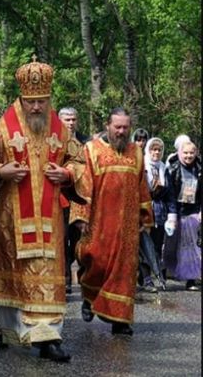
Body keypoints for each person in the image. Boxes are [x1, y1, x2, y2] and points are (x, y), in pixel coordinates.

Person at [0, 58, 86, 363]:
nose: (36, 107)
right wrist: (1, 171)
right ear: (22, 98)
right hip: (13, 218)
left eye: (42, 101)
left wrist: (68, 175)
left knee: (48, 275)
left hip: (49, 219)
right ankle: (8, 327)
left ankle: (48, 337)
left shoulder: (60, 130)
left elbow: (80, 162)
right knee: (16, 277)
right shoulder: (4, 127)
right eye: (31, 101)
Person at [72, 108, 153, 335]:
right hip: (99, 222)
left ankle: (121, 320)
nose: (121, 131)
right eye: (117, 127)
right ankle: (89, 298)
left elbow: (141, 186)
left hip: (127, 225)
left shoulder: (136, 152)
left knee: (125, 271)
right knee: (95, 262)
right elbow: (83, 183)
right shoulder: (92, 150)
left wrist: (145, 215)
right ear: (108, 125)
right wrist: (81, 216)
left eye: (125, 127)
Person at [58, 106, 90, 294]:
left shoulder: (86, 142)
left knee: (81, 241)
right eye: (67, 119)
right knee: (61, 240)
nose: (70, 123)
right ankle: (65, 279)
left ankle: (85, 279)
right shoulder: (53, 141)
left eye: (73, 119)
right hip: (60, 197)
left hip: (81, 199)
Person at [164, 140, 202, 291]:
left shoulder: (199, 169)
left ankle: (191, 279)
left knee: (191, 247)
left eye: (191, 153)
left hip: (193, 211)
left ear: (196, 153)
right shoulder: (172, 169)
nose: (188, 156)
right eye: (185, 153)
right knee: (171, 246)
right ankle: (164, 275)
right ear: (180, 153)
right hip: (176, 211)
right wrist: (172, 214)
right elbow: (170, 194)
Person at [142, 137, 170, 291]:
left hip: (160, 211)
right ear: (148, 150)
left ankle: (159, 276)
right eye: (154, 149)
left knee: (158, 245)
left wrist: (171, 214)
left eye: (159, 150)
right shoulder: (143, 166)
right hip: (145, 209)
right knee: (146, 244)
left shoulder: (164, 168)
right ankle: (147, 279)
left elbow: (169, 193)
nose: (157, 153)